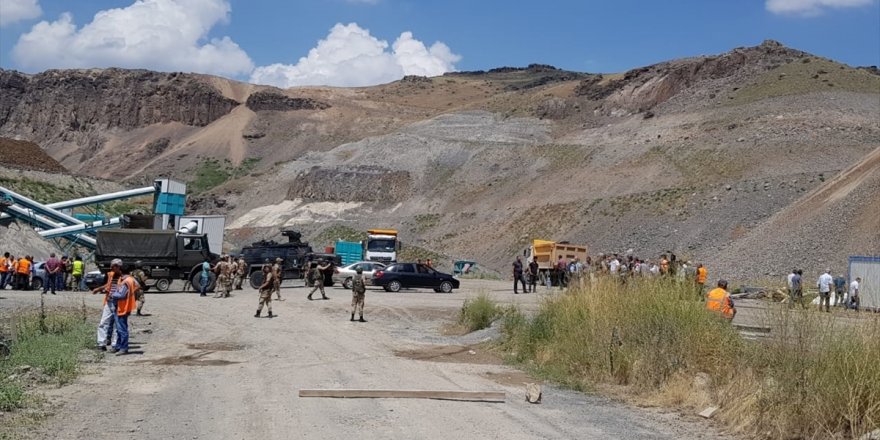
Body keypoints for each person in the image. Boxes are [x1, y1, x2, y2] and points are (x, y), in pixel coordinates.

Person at [92, 259, 122, 351]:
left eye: (113, 267)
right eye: (111, 266)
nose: (111, 268)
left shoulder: (125, 277)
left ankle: (115, 345)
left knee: (117, 325)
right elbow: (108, 285)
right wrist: (99, 289)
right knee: (103, 322)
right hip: (109, 302)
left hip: (119, 303)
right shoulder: (110, 275)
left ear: (118, 267)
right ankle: (101, 344)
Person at [108, 266, 138, 355]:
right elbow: (137, 287)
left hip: (122, 307)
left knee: (121, 329)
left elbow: (121, 295)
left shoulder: (125, 281)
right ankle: (118, 346)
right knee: (119, 328)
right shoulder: (131, 280)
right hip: (126, 306)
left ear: (121, 271)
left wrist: (112, 295)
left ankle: (123, 348)